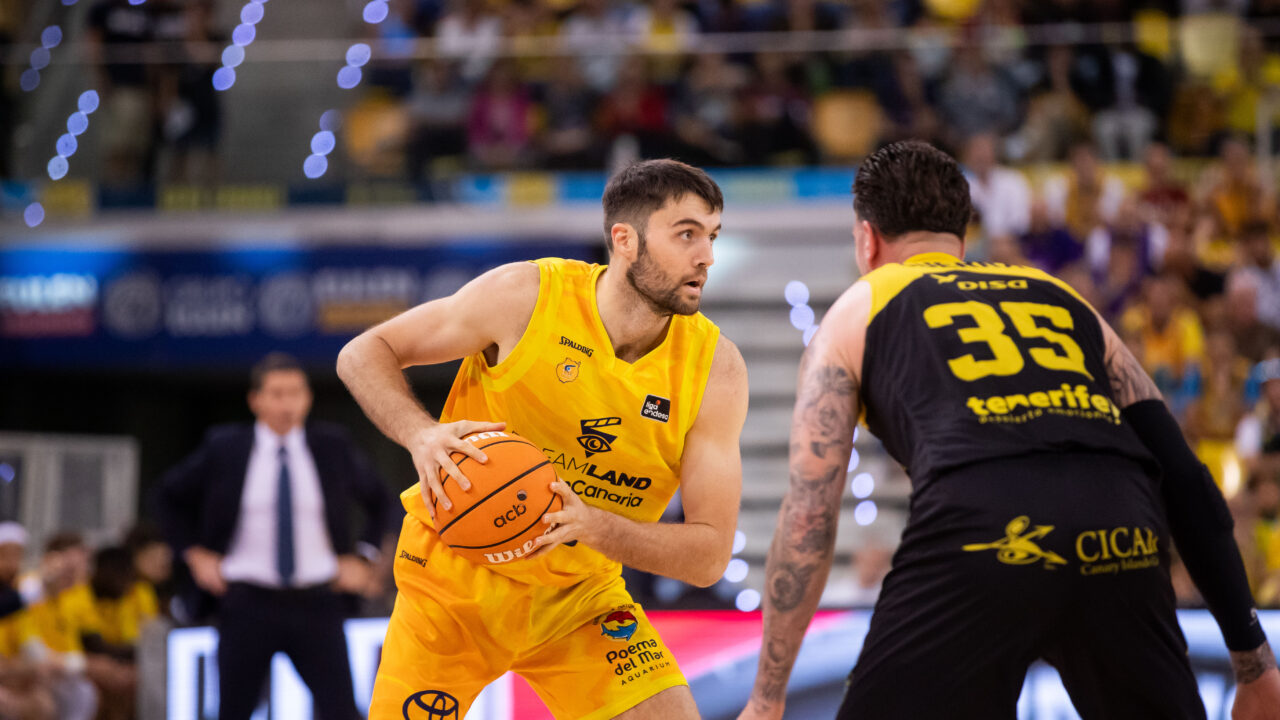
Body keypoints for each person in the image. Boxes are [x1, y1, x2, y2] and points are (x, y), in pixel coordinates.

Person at [738, 141, 1280, 720]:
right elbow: (1184, 475)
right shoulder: (1063, 300)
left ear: (867, 239)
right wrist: (1253, 659)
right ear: (962, 240)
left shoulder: (854, 311)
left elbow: (809, 517)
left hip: (984, 530)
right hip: (1119, 527)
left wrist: (767, 698)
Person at [337, 158, 748, 719]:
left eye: (712, 236)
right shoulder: (526, 297)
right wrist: (421, 435)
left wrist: (600, 529)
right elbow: (362, 353)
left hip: (578, 598)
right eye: (687, 235)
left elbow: (708, 556)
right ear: (624, 240)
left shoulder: (714, 369)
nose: (707, 256)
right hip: (452, 583)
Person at [158, 352, 392, 720]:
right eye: (278, 393)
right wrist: (192, 553)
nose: (288, 403)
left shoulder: (332, 446)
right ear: (256, 400)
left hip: (318, 601)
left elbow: (382, 501)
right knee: (234, 710)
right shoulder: (225, 447)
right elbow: (168, 496)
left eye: (296, 393)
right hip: (247, 601)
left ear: (309, 398)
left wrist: (364, 557)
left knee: (342, 711)